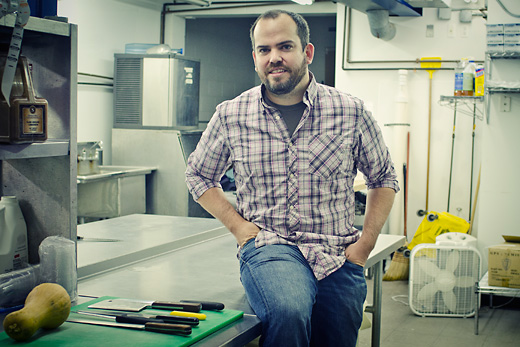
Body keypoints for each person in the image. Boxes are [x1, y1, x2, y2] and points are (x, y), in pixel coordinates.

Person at [185, 9, 399, 347]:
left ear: (307, 52)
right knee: (289, 310)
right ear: (255, 57)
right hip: (271, 245)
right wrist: (240, 228)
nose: (274, 58)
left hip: (338, 252)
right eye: (264, 50)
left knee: (338, 336)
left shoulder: (350, 111)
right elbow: (198, 174)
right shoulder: (231, 115)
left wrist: (366, 245)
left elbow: (384, 176)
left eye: (285, 46)